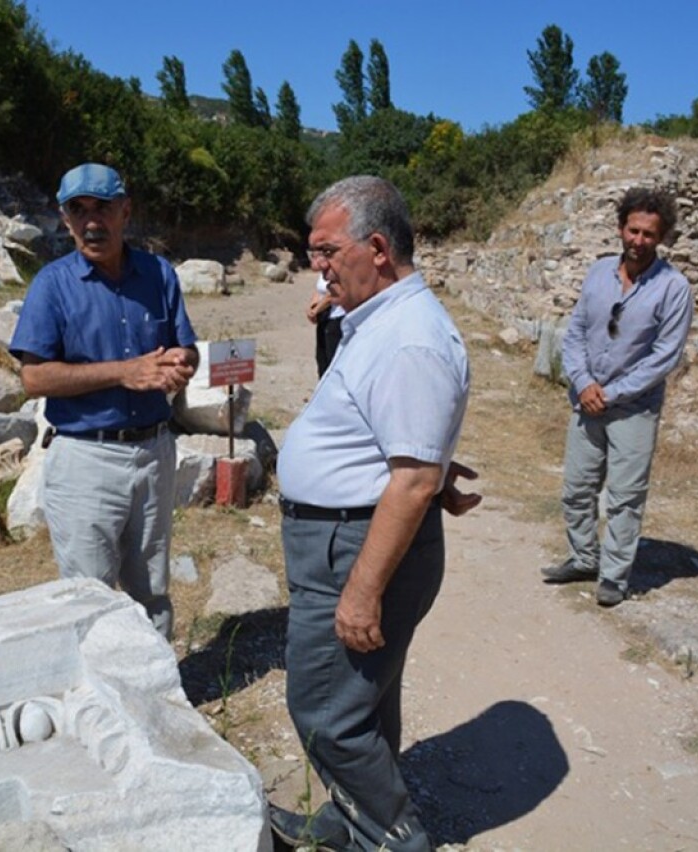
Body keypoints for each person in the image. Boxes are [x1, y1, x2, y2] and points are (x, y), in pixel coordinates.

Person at [272, 175, 479, 852]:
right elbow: (403, 447)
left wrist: (362, 591)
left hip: (353, 549)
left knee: (326, 714)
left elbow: (414, 480)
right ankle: (353, 817)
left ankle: (391, 839)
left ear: (379, 247)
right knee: (365, 703)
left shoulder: (407, 337)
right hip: (344, 539)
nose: (317, 266)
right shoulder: (378, 320)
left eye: (328, 250)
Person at [8, 163, 199, 639]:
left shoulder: (158, 274)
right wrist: (123, 371)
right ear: (64, 218)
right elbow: (34, 377)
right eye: (79, 210)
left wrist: (182, 361)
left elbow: (188, 348)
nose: (92, 221)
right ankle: (95, 703)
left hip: (154, 453)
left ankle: (157, 700)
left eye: (103, 208)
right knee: (86, 596)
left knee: (152, 589)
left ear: (126, 211)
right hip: (86, 458)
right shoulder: (52, 285)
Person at [542, 187, 694, 608]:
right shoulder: (598, 272)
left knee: (625, 496)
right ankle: (583, 557)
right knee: (577, 487)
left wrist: (610, 392)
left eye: (649, 233)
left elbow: (665, 357)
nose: (638, 240)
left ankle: (613, 576)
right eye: (633, 230)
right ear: (620, 228)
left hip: (633, 408)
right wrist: (583, 381)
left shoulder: (673, 287)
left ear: (661, 237)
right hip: (586, 399)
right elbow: (574, 333)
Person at [307, 273, 345, 376]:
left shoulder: (338, 270)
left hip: (337, 318)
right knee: (321, 358)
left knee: (332, 358)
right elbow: (318, 290)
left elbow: (331, 295)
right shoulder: (323, 271)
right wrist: (312, 306)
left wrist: (316, 310)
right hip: (324, 318)